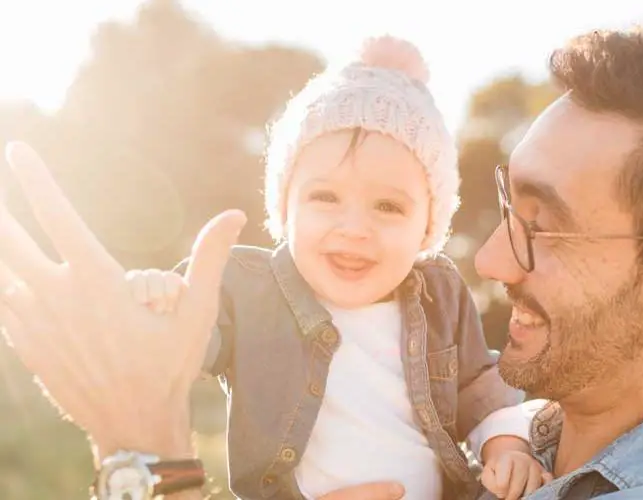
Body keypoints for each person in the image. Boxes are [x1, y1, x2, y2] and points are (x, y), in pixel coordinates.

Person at [0, 25, 643, 500]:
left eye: (544, 226)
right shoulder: (550, 422)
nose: (490, 260)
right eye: (505, 208)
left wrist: (143, 453)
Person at [118, 34, 548, 500]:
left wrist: (506, 448)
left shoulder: (438, 293)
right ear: (286, 207)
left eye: (387, 206)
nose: (354, 228)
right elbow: (184, 344)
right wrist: (158, 302)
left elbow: (478, 386)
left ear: (427, 229)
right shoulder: (247, 288)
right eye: (325, 197)